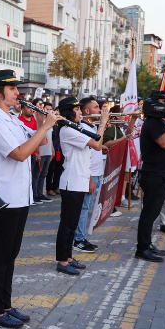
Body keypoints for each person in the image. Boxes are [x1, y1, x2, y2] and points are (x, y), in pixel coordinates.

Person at [0, 70, 62, 324]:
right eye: (12, 88)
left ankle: (6, 304)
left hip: (18, 196)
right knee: (1, 255)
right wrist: (46, 125)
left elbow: (37, 142)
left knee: (11, 254)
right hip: (3, 197)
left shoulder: (13, 119)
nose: (18, 93)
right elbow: (19, 153)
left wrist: (41, 121)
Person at [55, 97, 108, 274]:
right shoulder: (67, 130)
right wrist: (102, 123)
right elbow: (97, 145)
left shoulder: (73, 128)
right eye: (76, 110)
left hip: (79, 181)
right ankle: (62, 262)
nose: (79, 112)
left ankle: (68, 257)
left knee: (73, 222)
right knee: (67, 225)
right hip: (72, 182)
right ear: (69, 112)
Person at [134, 93, 165, 262]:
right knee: (149, 213)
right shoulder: (153, 122)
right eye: (162, 104)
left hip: (160, 174)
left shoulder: (158, 121)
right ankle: (142, 248)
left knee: (152, 213)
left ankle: (146, 244)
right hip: (155, 175)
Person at [72, 97, 107, 253]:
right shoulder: (82, 128)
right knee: (83, 209)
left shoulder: (91, 127)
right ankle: (78, 239)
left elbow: (97, 147)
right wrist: (90, 179)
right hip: (89, 175)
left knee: (86, 208)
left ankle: (81, 236)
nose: (99, 110)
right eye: (96, 108)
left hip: (96, 174)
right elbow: (86, 157)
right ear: (87, 111)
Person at [17, 103, 41, 203]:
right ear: (22, 109)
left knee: (33, 175)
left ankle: (33, 195)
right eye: (28, 108)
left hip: (33, 152)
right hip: (24, 152)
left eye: (32, 108)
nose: (31, 110)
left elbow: (38, 138)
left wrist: (38, 152)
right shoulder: (18, 121)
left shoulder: (34, 120)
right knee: (23, 176)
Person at [34, 100, 54, 202]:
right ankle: (35, 194)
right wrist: (38, 152)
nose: (49, 111)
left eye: (51, 109)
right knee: (37, 174)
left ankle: (41, 193)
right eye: (47, 109)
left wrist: (52, 150)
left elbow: (49, 138)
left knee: (44, 174)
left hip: (48, 152)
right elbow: (37, 137)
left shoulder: (50, 122)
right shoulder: (39, 121)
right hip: (41, 151)